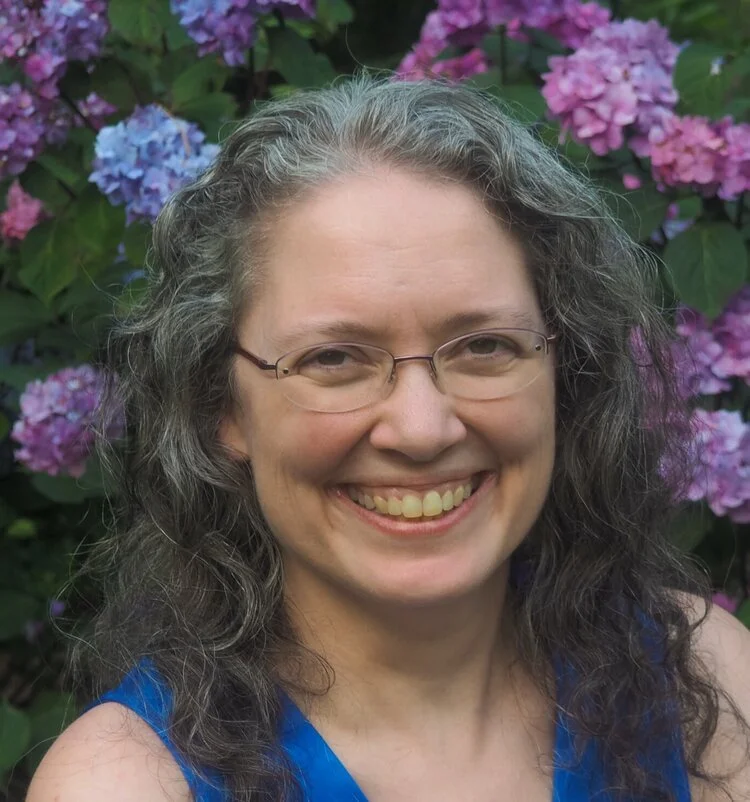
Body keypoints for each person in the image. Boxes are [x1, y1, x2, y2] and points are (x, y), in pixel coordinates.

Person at [27, 75, 750, 802]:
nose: (421, 428)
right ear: (225, 409)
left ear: (565, 372)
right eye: (334, 359)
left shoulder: (708, 691)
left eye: (484, 346)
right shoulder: (126, 785)